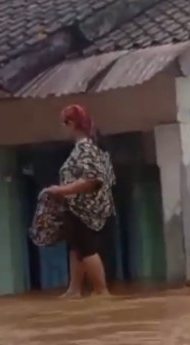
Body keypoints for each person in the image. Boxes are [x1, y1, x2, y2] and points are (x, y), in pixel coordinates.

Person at [44, 104, 116, 298]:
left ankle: (101, 291)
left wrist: (61, 190)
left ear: (71, 124)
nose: (62, 128)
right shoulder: (82, 147)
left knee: (87, 248)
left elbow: (90, 180)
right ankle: (74, 289)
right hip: (77, 208)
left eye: (63, 123)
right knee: (76, 248)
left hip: (86, 209)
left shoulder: (86, 147)